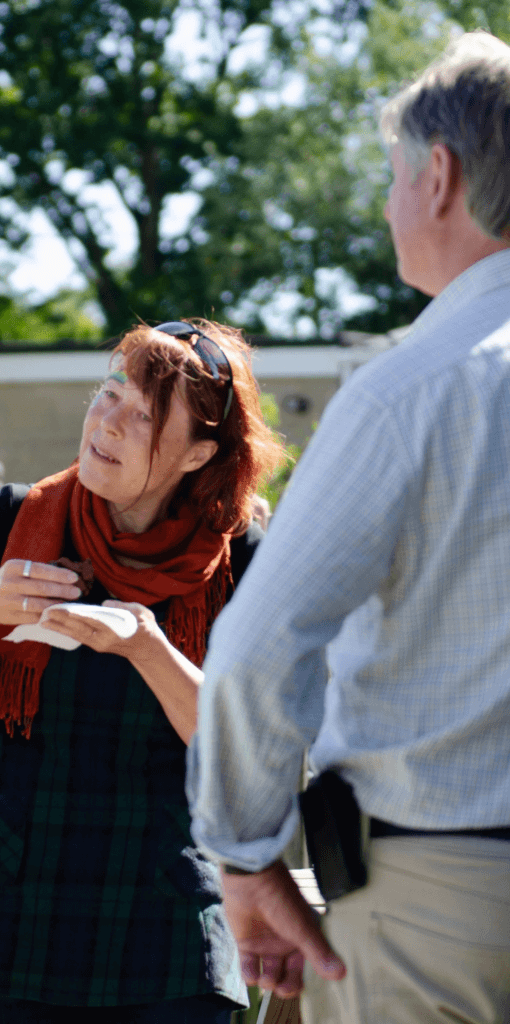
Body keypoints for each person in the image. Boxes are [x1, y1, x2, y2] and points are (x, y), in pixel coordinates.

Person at [187, 30, 510, 1024]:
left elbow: (253, 650)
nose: (384, 204)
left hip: (436, 909)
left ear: (440, 176)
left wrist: (244, 859)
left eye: (393, 175)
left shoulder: (413, 388)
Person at [0, 319, 286, 1023]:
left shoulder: (240, 558)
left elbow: (247, 749)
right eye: (107, 394)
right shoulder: (14, 520)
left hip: (168, 923)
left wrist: (149, 649)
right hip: (3, 904)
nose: (107, 423)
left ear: (200, 453)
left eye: (143, 414)